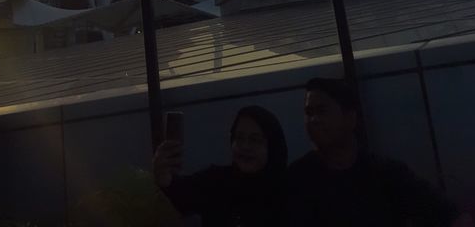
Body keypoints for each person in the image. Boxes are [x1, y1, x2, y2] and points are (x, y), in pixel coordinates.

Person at [288, 76, 458, 226]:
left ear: (350, 118)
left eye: (322, 111)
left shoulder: (388, 174)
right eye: (308, 113)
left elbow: (448, 215)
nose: (313, 120)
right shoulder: (295, 181)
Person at [152, 104, 288, 226]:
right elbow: (178, 198)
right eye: (239, 138)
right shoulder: (216, 182)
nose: (245, 146)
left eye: (255, 140)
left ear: (273, 146)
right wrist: (163, 177)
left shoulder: (290, 191)